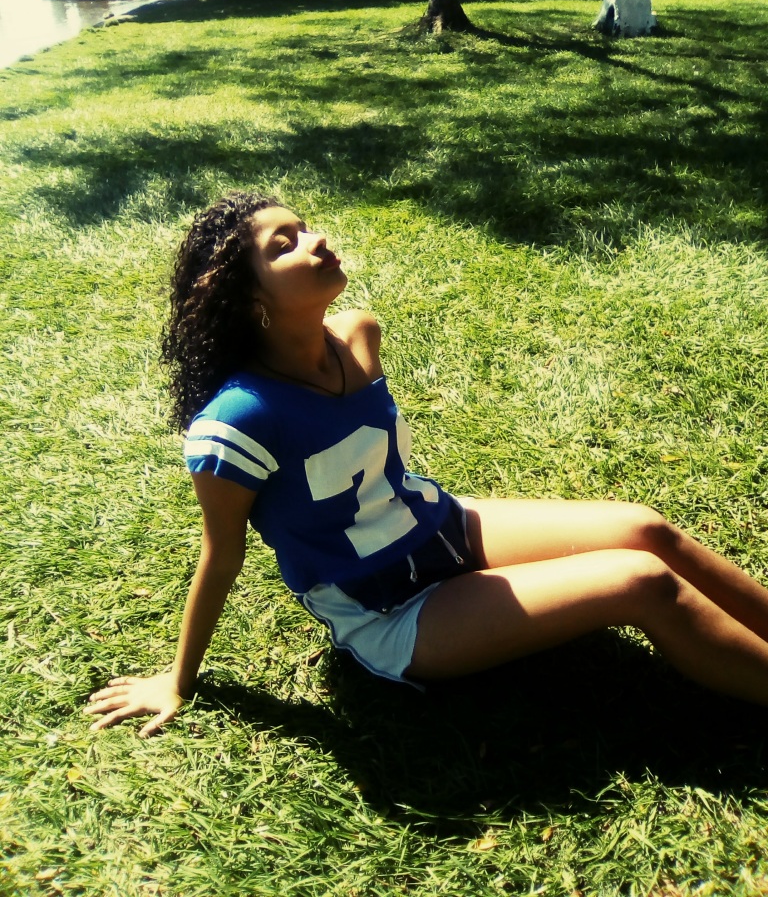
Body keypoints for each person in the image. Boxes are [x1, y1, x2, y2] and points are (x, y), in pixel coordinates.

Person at [87, 191, 768, 737]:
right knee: (642, 581)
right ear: (248, 299)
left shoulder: (358, 335)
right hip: (394, 609)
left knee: (646, 529)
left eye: (305, 227)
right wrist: (178, 680)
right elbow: (222, 556)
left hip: (442, 527)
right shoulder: (236, 423)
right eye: (283, 244)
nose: (315, 240)